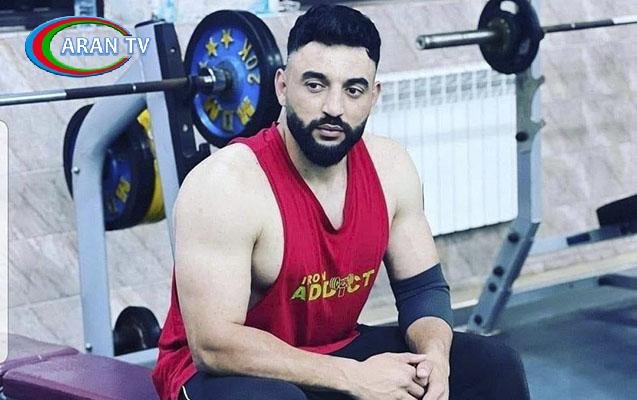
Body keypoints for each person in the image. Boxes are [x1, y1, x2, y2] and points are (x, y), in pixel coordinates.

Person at [152, 5, 530, 400]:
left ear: (373, 96)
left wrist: (435, 357)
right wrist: (352, 377)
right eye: (315, 85)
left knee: (493, 365)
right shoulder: (226, 184)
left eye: (353, 90)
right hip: (223, 372)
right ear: (282, 87)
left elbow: (422, 289)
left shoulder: (390, 168)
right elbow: (214, 346)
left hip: (333, 349)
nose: (334, 108)